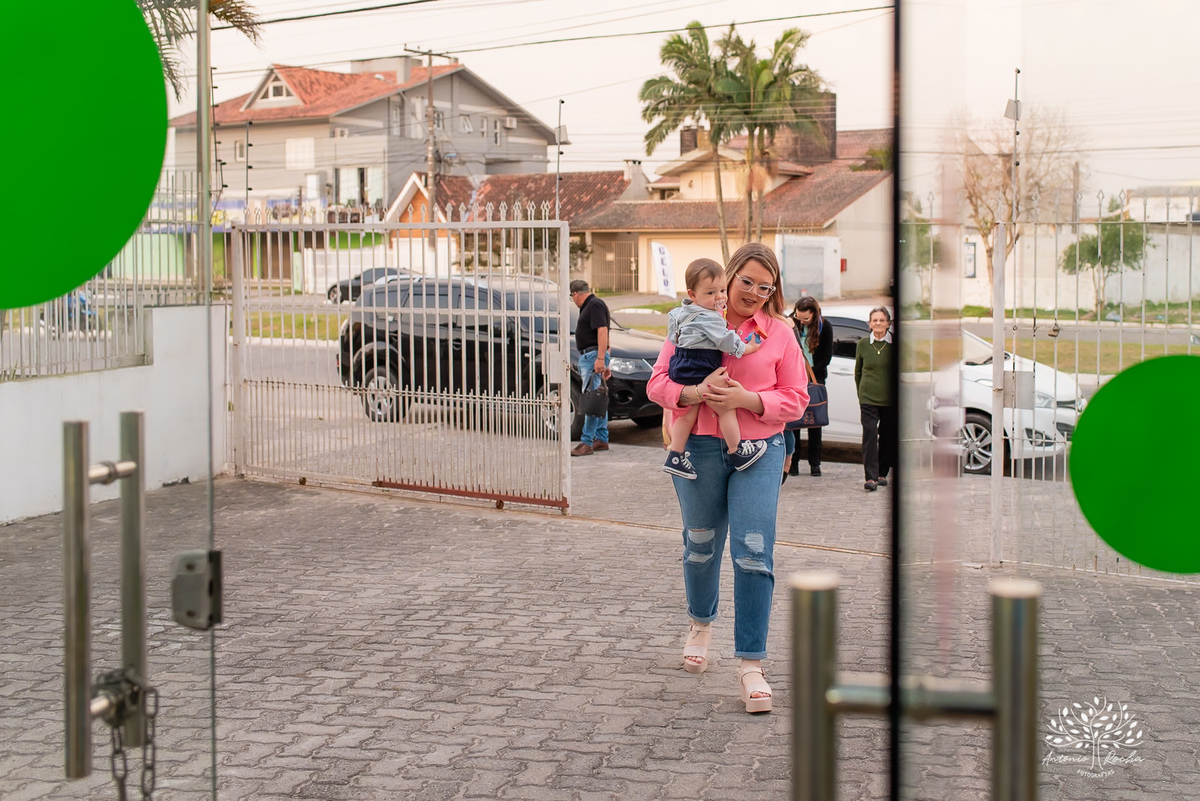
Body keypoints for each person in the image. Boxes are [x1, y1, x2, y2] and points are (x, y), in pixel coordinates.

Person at [647, 242, 808, 714]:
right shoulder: (690, 319)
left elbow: (796, 398)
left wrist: (749, 400)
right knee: (700, 544)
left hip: (758, 449)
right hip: (697, 446)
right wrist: (694, 391)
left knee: (754, 551)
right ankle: (700, 623)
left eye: (766, 286)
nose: (756, 292)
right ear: (728, 276)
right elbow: (658, 383)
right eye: (747, 282)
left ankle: (751, 664)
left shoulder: (778, 334)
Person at [663, 258, 764, 479]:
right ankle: (737, 451)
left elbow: (673, 337)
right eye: (710, 293)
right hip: (701, 364)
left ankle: (676, 455)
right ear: (692, 294)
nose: (719, 297)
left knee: (688, 414)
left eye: (722, 290)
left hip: (681, 362)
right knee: (725, 407)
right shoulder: (709, 318)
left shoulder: (678, 312)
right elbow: (727, 343)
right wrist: (749, 347)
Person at [788, 297, 834, 478]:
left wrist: (810, 373)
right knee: (795, 421)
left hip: (815, 378)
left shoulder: (825, 326)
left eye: (805, 319)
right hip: (794, 378)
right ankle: (793, 463)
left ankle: (815, 463)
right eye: (799, 317)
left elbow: (826, 357)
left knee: (816, 420)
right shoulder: (791, 323)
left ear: (814, 314)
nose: (801, 321)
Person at [855, 306, 895, 491]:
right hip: (868, 398)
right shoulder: (862, 344)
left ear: (888, 323)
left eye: (881, 320)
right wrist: (861, 394)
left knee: (887, 436)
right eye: (874, 320)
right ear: (869, 324)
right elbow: (858, 372)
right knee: (870, 434)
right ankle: (870, 477)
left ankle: (882, 473)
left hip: (890, 399)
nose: (878, 323)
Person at [570, 279, 611, 457]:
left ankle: (587, 442)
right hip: (594, 356)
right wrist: (604, 358)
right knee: (598, 397)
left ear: (576, 294)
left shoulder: (593, 305)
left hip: (593, 356)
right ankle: (601, 438)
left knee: (592, 399)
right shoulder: (592, 305)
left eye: (572, 296)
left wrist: (601, 358)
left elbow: (602, 330)